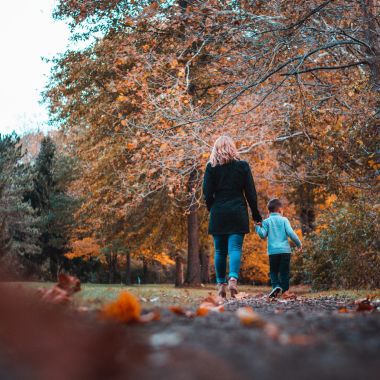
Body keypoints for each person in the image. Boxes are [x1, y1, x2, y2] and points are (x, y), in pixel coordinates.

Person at [202, 135, 262, 298]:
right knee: (235, 248)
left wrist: (212, 209)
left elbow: (207, 194)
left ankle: (221, 284)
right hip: (237, 211)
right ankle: (233, 279)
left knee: (220, 250)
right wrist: (256, 215)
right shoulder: (242, 166)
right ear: (232, 148)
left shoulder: (211, 167)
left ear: (216, 149)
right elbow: (251, 193)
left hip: (219, 212)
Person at [255, 198, 302, 298]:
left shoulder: (266, 222)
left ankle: (276, 286)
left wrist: (258, 227)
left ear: (268, 211)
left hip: (273, 252)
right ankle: (285, 291)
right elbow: (291, 233)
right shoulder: (284, 220)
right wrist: (298, 244)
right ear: (280, 210)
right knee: (284, 272)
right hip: (285, 251)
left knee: (274, 271)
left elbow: (263, 235)